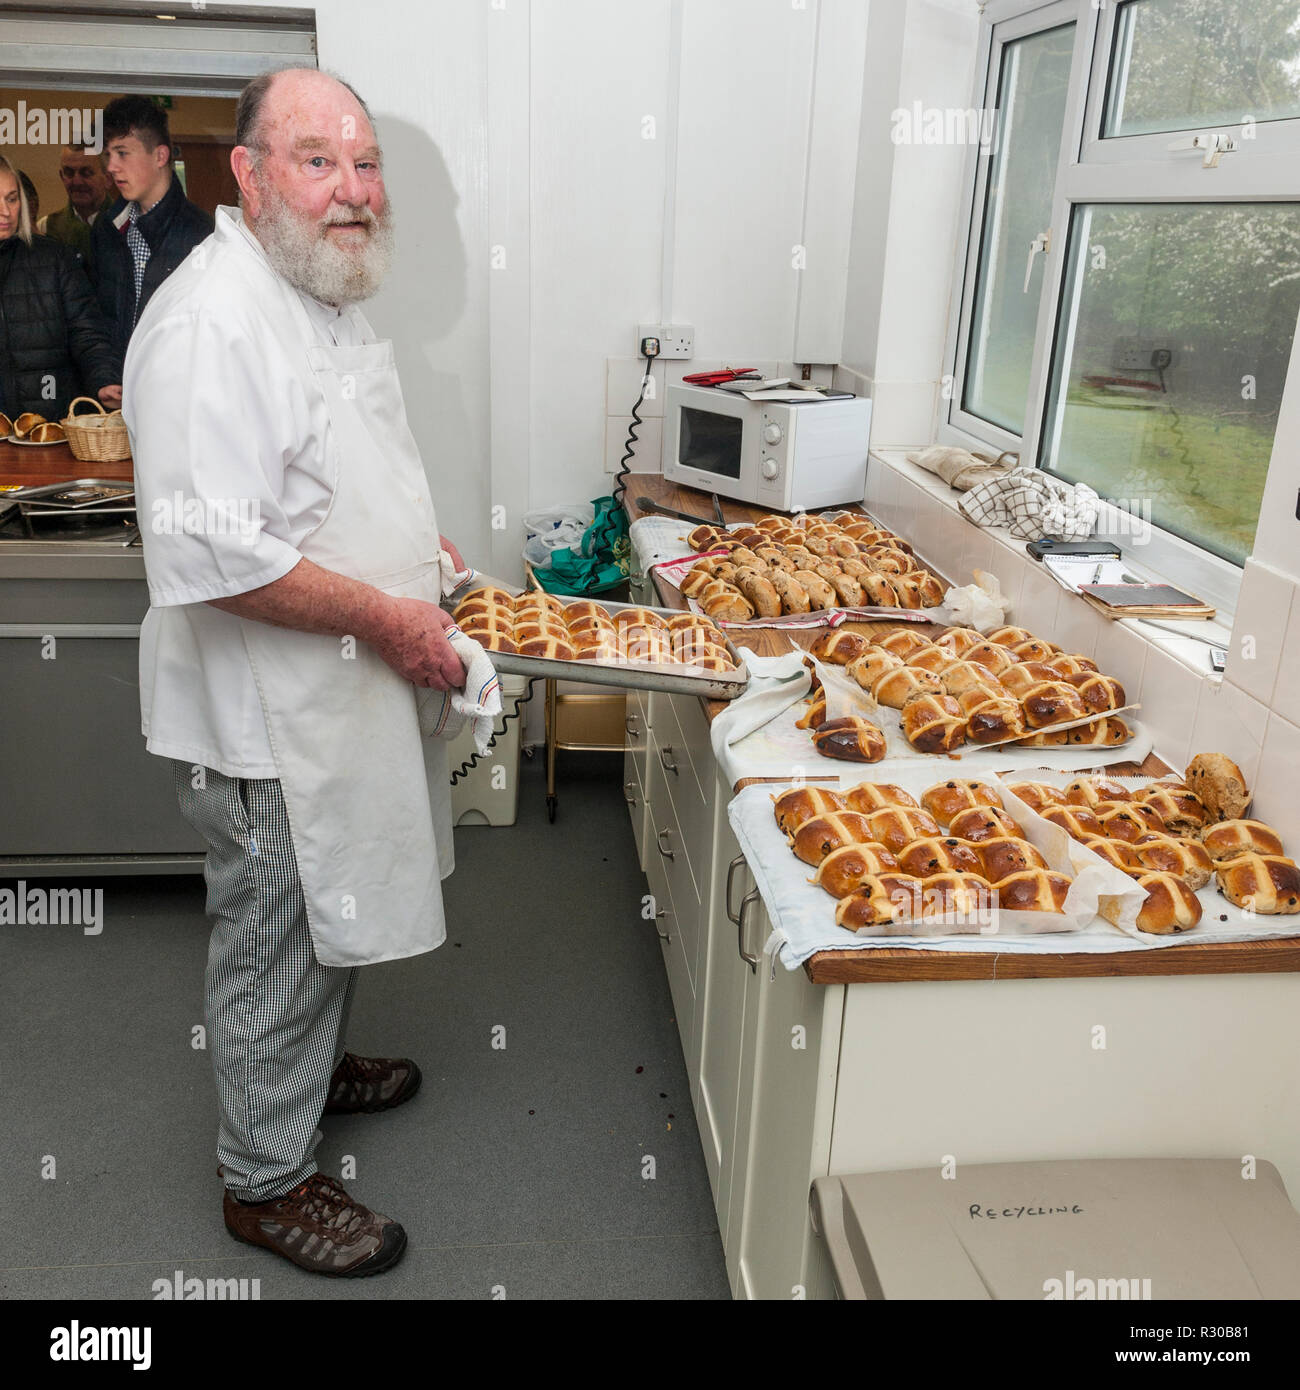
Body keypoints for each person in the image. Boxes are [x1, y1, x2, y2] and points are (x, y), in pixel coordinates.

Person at [125, 67, 470, 1279]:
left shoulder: (314, 291)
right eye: (318, 160)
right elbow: (215, 554)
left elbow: (326, 476)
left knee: (326, 919)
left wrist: (417, 558)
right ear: (250, 174)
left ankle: (312, 1072)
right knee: (276, 932)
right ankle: (262, 1179)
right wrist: (388, 615)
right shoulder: (211, 319)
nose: (353, 189)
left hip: (337, 690)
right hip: (266, 716)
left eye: (364, 163)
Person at [0, 155, 122, 419]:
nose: (7, 212)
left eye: (11, 198)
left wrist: (104, 379)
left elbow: (88, 334)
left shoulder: (55, 258)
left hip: (52, 425)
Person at [91, 95, 213, 355]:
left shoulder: (204, 235)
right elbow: (96, 321)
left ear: (160, 156)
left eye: (122, 153)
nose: (111, 167)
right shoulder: (106, 229)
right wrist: (105, 376)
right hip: (117, 385)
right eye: (108, 155)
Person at [37, 144, 112, 268]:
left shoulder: (129, 224)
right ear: (62, 177)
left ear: (108, 179)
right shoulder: (45, 228)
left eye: (86, 173)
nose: (77, 182)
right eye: (69, 173)